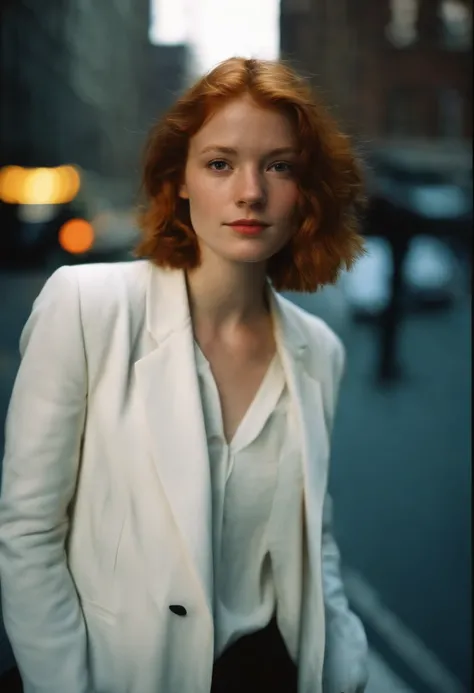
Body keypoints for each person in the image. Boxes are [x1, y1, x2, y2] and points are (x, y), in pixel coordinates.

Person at [0, 57, 368, 693]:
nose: (250, 191)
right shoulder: (87, 308)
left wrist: (345, 663)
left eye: (278, 165)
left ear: (307, 190)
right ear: (181, 181)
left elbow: (317, 542)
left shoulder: (320, 350)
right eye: (220, 163)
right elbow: (29, 535)